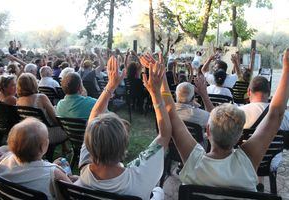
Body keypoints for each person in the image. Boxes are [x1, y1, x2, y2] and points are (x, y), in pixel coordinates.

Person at [140, 49, 289, 191]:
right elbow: (275, 115)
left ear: (207, 130)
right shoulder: (247, 162)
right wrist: (287, 69)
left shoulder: (194, 161)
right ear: (239, 137)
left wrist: (162, 80)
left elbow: (171, 113)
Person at [75, 56, 171, 200]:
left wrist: (110, 85)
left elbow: (94, 115)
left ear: (89, 145)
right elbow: (164, 134)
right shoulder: (139, 176)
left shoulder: (84, 170)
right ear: (125, 144)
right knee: (158, 191)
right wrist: (156, 93)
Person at [0, 118, 72, 199]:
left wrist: (51, 166)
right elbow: (73, 193)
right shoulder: (54, 173)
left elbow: (31, 171)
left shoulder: (5, 162)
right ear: (44, 146)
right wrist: (67, 175)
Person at [16, 73, 67, 146]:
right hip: (45, 133)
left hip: (29, 133)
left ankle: (65, 149)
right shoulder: (41, 98)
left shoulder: (18, 101)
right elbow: (55, 120)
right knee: (69, 129)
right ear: (33, 84)